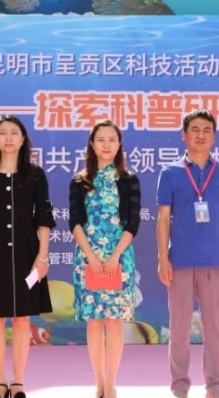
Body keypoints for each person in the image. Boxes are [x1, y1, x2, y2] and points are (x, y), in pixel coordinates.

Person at [0, 115, 56, 398]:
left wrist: (42, 257)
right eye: (2, 133)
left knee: (22, 320)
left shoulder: (35, 174)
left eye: (14, 133)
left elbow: (43, 217)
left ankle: (18, 383)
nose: (8, 138)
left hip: (26, 253)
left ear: (23, 139)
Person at [156, 109, 219, 398]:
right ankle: (180, 385)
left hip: (217, 262)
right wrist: (162, 259)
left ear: (214, 136)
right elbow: (163, 219)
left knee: (214, 328)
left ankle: (214, 386)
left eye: (207, 130)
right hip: (180, 263)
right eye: (195, 129)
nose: (201, 135)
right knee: (179, 329)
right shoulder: (170, 173)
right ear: (184, 135)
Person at [69, 119, 141, 398]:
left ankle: (111, 384)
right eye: (101, 139)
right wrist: (91, 257)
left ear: (119, 144)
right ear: (92, 143)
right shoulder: (80, 181)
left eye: (112, 139)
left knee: (114, 321)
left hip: (119, 259)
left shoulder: (129, 179)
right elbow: (75, 222)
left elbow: (132, 222)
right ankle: (98, 382)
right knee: (95, 322)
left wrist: (114, 257)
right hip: (88, 259)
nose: (106, 145)